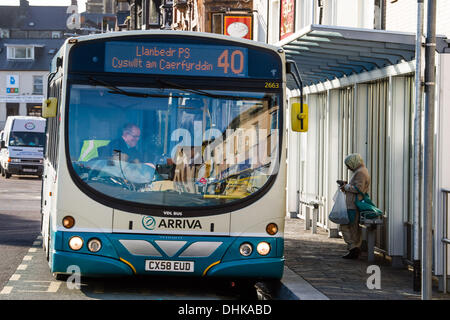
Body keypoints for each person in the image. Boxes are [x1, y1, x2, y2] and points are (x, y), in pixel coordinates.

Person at [339, 153, 371, 259]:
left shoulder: (360, 172)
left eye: (348, 165)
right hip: (353, 203)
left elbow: (358, 189)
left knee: (348, 227)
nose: (348, 168)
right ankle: (354, 248)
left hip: (353, 204)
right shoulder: (361, 171)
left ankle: (353, 248)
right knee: (352, 228)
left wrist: (346, 186)